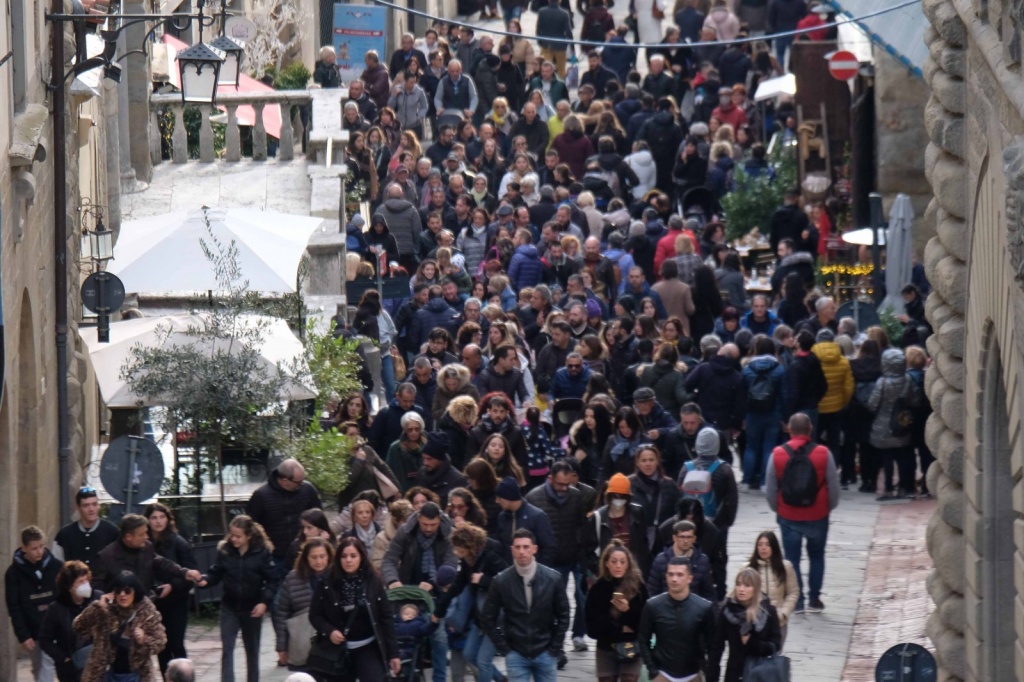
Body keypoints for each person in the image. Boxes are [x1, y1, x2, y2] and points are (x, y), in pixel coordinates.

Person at [765, 412, 840, 613]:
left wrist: (778, 509)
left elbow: (771, 488)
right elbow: (833, 487)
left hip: (789, 515)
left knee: (792, 559)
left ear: (789, 429)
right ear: (810, 429)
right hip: (817, 514)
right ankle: (815, 599)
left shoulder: (778, 454)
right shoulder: (824, 453)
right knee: (817, 556)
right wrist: (827, 508)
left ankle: (797, 602)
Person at [197, 515, 280, 682]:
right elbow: (216, 572)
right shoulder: (225, 551)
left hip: (252, 607)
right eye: (232, 535)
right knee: (227, 649)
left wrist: (264, 602)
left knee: (252, 651)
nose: (233, 539)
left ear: (248, 536)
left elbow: (272, 580)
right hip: (230, 605)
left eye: (238, 536)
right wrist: (204, 580)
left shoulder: (262, 553)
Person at [481, 529, 570, 682]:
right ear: (512, 550)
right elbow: (487, 617)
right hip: (516, 653)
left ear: (534, 549)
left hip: (545, 651)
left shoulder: (553, 579)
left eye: (526, 547)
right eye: (518, 547)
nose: (522, 551)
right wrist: (505, 649)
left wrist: (554, 647)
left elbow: (564, 615)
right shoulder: (501, 581)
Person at [382, 503, 458, 682]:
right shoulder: (405, 532)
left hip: (434, 594)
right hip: (407, 593)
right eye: (425, 525)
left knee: (439, 638)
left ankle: (439, 679)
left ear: (439, 521)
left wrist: (434, 581)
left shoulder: (448, 534)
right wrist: (393, 581)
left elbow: (451, 563)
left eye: (433, 525)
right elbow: (389, 559)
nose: (429, 529)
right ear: (418, 520)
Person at [309, 537, 401, 680]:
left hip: (368, 647)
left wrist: (394, 653)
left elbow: (386, 618)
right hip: (338, 651)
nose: (348, 560)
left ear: (361, 557)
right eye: (344, 556)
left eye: (353, 556)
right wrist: (329, 631)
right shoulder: (327, 583)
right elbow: (315, 615)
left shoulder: (373, 581)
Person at [525, 460, 590, 652]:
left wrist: (583, 553)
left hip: (575, 556)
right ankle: (556, 642)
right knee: (556, 603)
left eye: (567, 484)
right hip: (551, 561)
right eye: (560, 484)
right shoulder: (534, 498)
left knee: (582, 597)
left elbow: (581, 526)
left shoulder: (576, 496)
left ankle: (578, 633)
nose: (564, 489)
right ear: (550, 478)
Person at [431, 523, 509, 682]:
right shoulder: (468, 561)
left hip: (496, 617)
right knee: (469, 654)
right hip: (480, 617)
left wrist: (484, 580)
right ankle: (500, 679)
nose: (457, 553)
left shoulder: (491, 556)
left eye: (460, 550)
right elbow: (456, 587)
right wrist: (438, 611)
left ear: (471, 547)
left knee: (483, 660)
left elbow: (508, 580)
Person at [73, 571, 167, 682]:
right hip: (103, 673)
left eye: (127, 591)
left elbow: (160, 641)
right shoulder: (106, 608)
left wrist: (144, 640)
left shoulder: (146, 611)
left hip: (136, 675)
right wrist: (97, 608)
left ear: (135, 592)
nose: (123, 595)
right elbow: (78, 626)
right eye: (118, 591)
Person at [637, 557, 717, 681]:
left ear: (689, 578)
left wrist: (708, 672)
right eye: (670, 574)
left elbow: (712, 645)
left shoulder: (704, 608)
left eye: (680, 575)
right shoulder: (652, 606)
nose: (674, 579)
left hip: (693, 674)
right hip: (663, 673)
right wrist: (653, 670)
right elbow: (643, 640)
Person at [246, 459, 323, 581]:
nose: (301, 484)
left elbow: (319, 519)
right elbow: (251, 526)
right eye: (298, 482)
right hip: (275, 556)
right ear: (285, 481)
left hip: (304, 552)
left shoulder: (308, 490)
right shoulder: (261, 496)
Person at [584, 541, 649, 682]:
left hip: (631, 646)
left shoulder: (638, 587)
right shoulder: (598, 588)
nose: (618, 566)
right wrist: (620, 628)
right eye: (614, 561)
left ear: (628, 564)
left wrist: (627, 611)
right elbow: (591, 625)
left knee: (630, 678)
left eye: (622, 562)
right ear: (607, 563)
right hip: (606, 647)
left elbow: (645, 622)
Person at [143, 502, 196, 673]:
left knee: (176, 643)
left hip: (177, 601)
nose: (158, 521)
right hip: (155, 602)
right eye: (154, 518)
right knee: (161, 644)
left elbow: (190, 573)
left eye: (162, 517)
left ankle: (185, 676)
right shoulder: (145, 543)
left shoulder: (178, 542)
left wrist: (172, 586)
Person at [6, 525, 62, 682]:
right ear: (24, 548)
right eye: (34, 548)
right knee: (39, 667)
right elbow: (14, 606)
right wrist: (23, 635)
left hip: (54, 627)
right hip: (32, 628)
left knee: (48, 664)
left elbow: (63, 596)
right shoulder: (14, 573)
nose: (39, 552)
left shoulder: (56, 566)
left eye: (41, 546)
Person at [93, 514, 202, 594]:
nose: (147, 537)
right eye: (142, 534)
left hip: (144, 609)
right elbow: (97, 588)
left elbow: (161, 562)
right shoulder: (106, 556)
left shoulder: (147, 546)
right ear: (128, 537)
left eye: (146, 532)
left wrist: (184, 572)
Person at [707, 568, 783, 682]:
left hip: (760, 673)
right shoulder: (727, 611)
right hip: (735, 673)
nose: (741, 589)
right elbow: (716, 648)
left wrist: (753, 643)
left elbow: (776, 645)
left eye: (747, 585)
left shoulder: (768, 612)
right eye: (738, 584)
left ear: (756, 589)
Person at [867, 348, 921, 500]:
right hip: (902, 424)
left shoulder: (882, 383)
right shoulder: (908, 379)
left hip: (883, 426)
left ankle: (888, 489)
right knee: (902, 457)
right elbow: (915, 400)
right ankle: (903, 488)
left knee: (887, 458)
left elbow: (873, 404)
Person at [274, 537, 334, 669]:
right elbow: (282, 613)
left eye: (322, 556)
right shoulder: (293, 578)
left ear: (328, 556)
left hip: (332, 641)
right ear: (306, 558)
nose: (318, 561)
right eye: (313, 557)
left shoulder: (337, 576)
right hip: (303, 641)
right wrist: (282, 646)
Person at [38, 560, 100, 682]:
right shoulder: (56, 609)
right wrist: (63, 658)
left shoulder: (98, 600)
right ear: (69, 587)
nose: (85, 584)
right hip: (71, 670)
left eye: (86, 580)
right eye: (80, 582)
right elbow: (45, 639)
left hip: (97, 666)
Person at [741, 335, 786, 492]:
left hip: (752, 413)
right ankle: (765, 483)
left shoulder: (747, 369)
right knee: (769, 447)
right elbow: (783, 395)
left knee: (751, 447)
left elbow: (742, 394)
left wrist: (742, 416)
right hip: (773, 413)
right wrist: (784, 417)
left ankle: (746, 480)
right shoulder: (779, 369)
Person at [585, 474, 653, 577]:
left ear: (628, 497)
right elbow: (589, 551)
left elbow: (643, 547)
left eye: (623, 496)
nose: (619, 499)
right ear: (609, 496)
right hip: (608, 574)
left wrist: (642, 571)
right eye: (615, 495)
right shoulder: (598, 517)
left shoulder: (638, 513)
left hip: (632, 574)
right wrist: (601, 571)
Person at [747, 531, 799, 649]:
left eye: (767, 544)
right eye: (760, 544)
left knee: (773, 658)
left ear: (774, 547)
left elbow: (793, 592)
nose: (763, 548)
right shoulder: (748, 568)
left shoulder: (785, 567)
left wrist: (784, 613)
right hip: (753, 623)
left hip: (778, 623)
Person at [52, 487, 120, 571]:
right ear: (78, 507)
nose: (91, 509)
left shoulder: (112, 532)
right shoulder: (64, 535)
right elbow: (56, 566)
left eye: (94, 504)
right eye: (86, 505)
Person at [494, 476, 557, 566]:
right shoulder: (502, 517)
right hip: (510, 574)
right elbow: (500, 546)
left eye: (499, 498)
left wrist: (539, 572)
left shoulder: (537, 516)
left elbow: (549, 548)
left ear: (508, 498)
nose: (497, 501)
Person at [647, 520, 714, 600]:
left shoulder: (702, 561)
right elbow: (652, 592)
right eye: (682, 537)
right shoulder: (660, 560)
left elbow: (709, 593)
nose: (685, 541)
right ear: (674, 538)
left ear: (694, 539)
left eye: (689, 537)